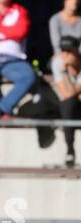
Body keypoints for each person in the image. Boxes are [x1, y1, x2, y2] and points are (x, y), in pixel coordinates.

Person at [51, 36, 81, 167]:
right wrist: (65, 69)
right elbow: (67, 94)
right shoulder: (58, 62)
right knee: (67, 104)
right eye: (63, 50)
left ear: (76, 51)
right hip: (68, 106)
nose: (66, 54)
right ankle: (70, 150)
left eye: (69, 50)